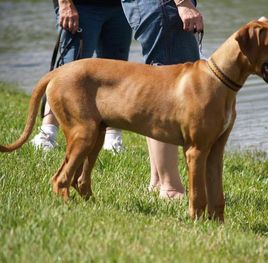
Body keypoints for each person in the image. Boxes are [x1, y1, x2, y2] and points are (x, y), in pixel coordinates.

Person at [121, 0, 204, 198]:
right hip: (164, 5)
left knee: (160, 85)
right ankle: (171, 188)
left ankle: (158, 181)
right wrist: (183, 3)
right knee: (166, 90)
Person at [31, 0, 132, 152]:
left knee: (116, 75)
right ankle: (47, 134)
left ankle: (112, 139)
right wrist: (64, 4)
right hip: (80, 7)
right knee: (68, 73)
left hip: (121, 7)